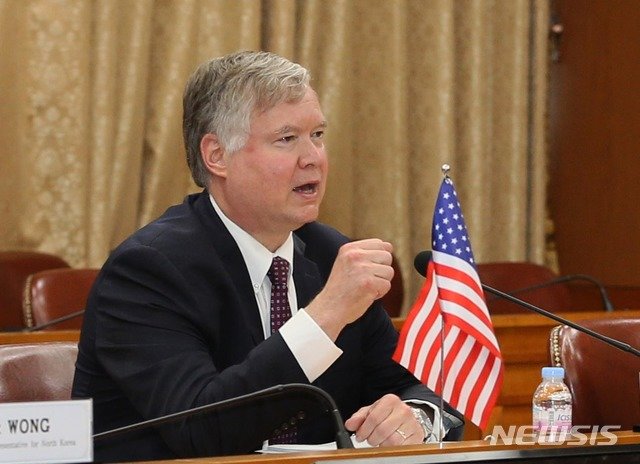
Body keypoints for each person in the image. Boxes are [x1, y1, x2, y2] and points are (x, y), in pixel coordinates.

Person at [72, 50, 464, 462]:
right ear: (217, 156)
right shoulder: (148, 270)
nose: (313, 158)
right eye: (287, 139)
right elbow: (202, 432)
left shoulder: (328, 253)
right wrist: (326, 313)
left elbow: (423, 388)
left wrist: (416, 418)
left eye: (317, 135)